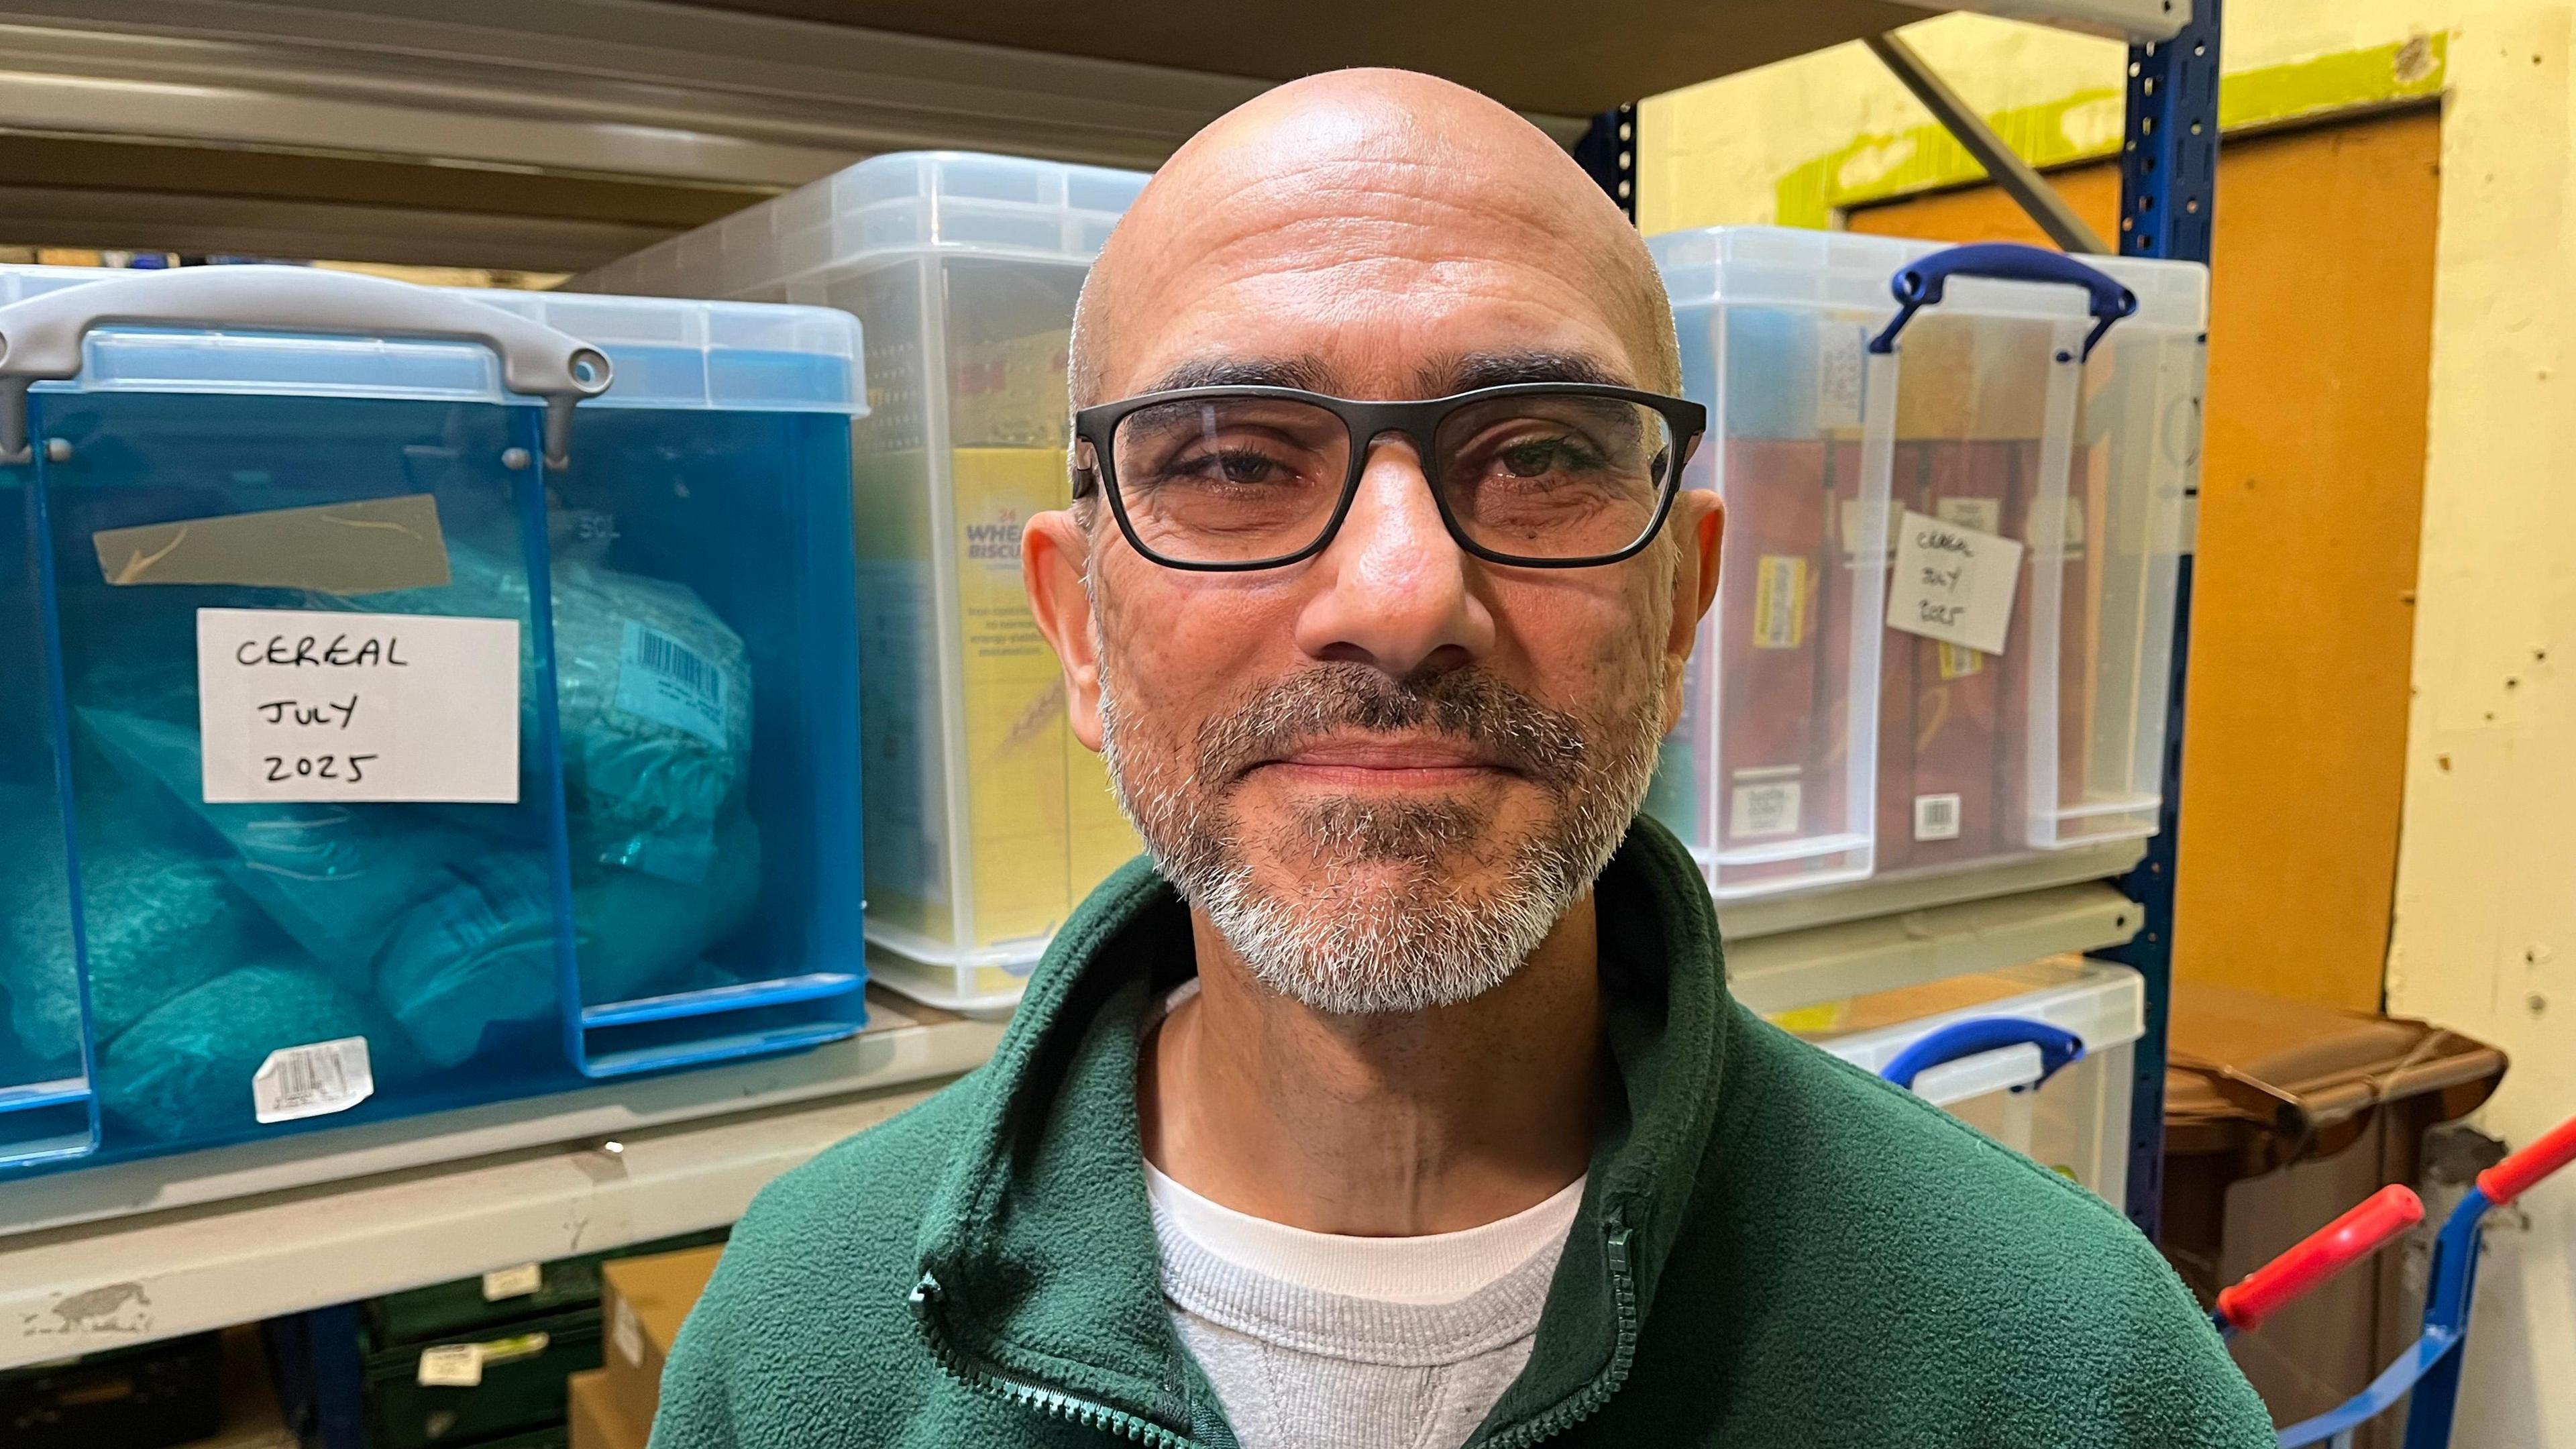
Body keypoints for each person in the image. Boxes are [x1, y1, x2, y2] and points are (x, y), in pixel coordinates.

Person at [649, 69, 2272, 1449]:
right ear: (1079, 628)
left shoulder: (2063, 1368)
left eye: (1543, 454)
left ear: (1684, 600)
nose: (1404, 595)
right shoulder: (806, 1346)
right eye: (1233, 460)